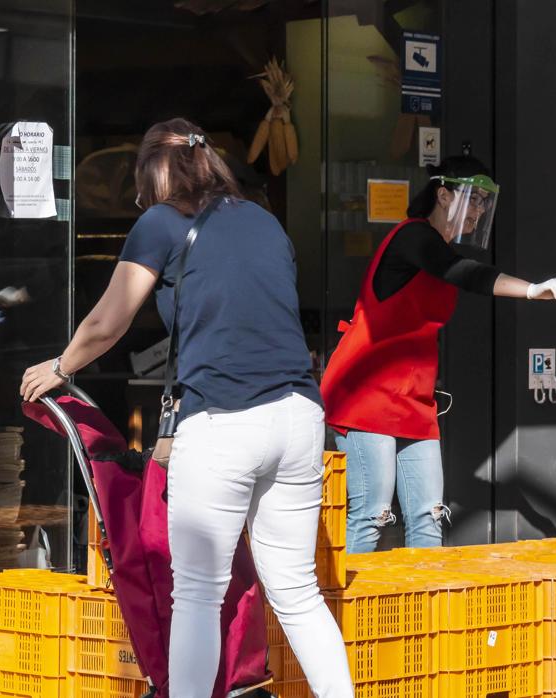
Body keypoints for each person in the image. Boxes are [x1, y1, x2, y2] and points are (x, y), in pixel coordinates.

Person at [21, 118, 353, 698]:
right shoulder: (265, 222)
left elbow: (109, 319)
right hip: (300, 416)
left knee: (197, 592)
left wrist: (60, 367)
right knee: (297, 592)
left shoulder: (162, 222)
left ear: (156, 174)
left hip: (223, 423)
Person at [321, 155, 556, 554]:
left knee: (428, 514)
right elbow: (464, 273)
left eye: (484, 204)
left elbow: (458, 269)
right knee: (371, 512)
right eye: (473, 200)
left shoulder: (438, 248)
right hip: (364, 391)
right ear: (443, 195)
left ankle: (425, 613)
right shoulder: (414, 237)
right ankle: (340, 613)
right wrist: (530, 289)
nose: (478, 211)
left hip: (412, 396)